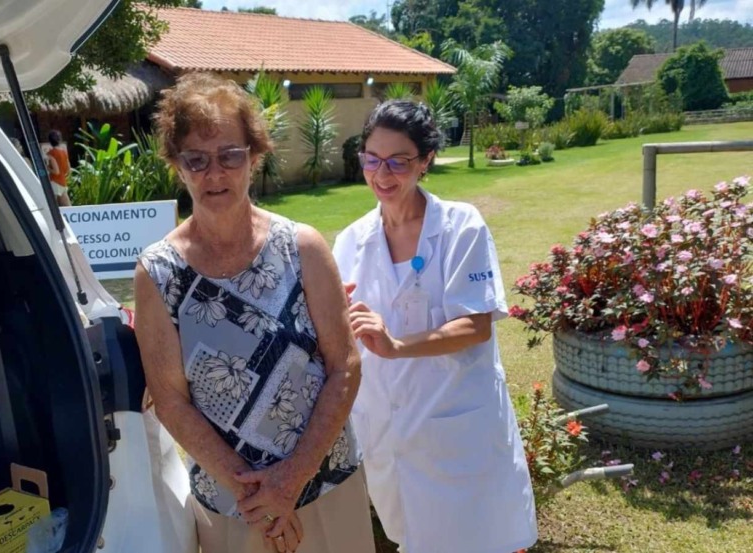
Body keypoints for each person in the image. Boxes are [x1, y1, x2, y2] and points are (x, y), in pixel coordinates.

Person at [134, 73, 374, 553]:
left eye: (230, 155)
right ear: (177, 166)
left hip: (326, 487)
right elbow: (171, 401)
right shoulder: (157, 272)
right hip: (233, 507)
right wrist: (258, 496)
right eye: (196, 159)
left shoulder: (302, 247)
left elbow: (344, 366)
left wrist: (290, 480)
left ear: (255, 157)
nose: (214, 173)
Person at [331, 100, 538, 553]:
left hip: (455, 424)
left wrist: (396, 345)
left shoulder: (461, 227)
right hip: (386, 427)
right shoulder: (350, 241)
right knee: (408, 537)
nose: (382, 174)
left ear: (426, 161)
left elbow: (475, 326)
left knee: (472, 540)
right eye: (372, 159)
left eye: (398, 161)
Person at [45, 130, 72, 207]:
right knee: (67, 206)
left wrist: (47, 167)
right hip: (63, 181)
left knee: (53, 206)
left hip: (55, 181)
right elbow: (68, 170)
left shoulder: (51, 153)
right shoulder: (64, 152)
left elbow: (56, 171)